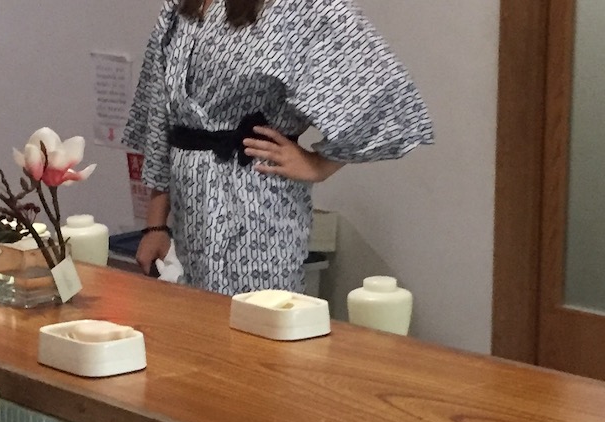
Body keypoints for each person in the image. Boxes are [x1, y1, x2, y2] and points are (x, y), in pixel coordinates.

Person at [122, 0, 434, 296]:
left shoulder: (296, 6)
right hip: (190, 212)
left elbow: (382, 97)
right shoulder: (178, 7)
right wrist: (155, 225)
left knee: (261, 318)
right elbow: (161, 117)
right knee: (197, 320)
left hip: (257, 201)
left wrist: (319, 165)